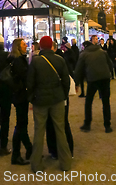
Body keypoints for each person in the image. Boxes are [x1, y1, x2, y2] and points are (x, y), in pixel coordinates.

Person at [27, 35, 72, 173]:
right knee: (60, 130)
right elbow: (66, 80)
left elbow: (30, 83)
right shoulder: (59, 59)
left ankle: (37, 165)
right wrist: (63, 95)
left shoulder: (35, 61)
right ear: (52, 45)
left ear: (40, 46)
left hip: (40, 100)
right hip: (57, 99)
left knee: (39, 131)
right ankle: (65, 163)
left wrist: (32, 98)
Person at [74, 35, 113, 133]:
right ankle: (107, 125)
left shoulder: (84, 54)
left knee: (89, 102)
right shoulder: (102, 52)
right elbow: (110, 64)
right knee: (105, 102)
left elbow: (78, 70)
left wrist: (76, 83)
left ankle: (87, 123)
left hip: (92, 79)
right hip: (104, 78)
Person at [46, 41, 74, 160]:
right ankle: (68, 150)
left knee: (51, 124)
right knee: (63, 123)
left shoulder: (41, 60)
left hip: (50, 97)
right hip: (61, 96)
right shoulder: (61, 59)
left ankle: (54, 151)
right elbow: (67, 77)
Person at [8, 38, 32, 165]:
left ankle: (28, 149)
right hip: (20, 94)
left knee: (22, 124)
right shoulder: (18, 61)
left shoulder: (15, 59)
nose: (26, 46)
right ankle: (18, 153)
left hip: (19, 95)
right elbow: (24, 76)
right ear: (18, 47)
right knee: (21, 124)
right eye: (23, 44)